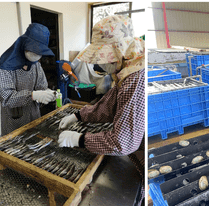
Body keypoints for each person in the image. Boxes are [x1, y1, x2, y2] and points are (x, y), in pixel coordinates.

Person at [56, 15, 145, 157]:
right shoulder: (127, 68)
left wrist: (79, 139)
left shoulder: (136, 77)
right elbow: (109, 105)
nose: (101, 63)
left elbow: (123, 142)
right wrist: (78, 116)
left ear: (118, 51)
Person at [0, 23, 56, 135]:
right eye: (34, 50)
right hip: (14, 122)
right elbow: (6, 98)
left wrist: (47, 94)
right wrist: (33, 95)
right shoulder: (4, 66)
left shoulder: (35, 65)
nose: (37, 55)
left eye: (39, 52)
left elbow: (42, 87)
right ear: (24, 44)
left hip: (34, 117)